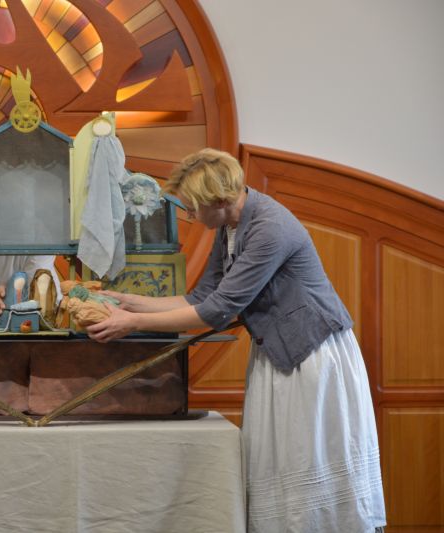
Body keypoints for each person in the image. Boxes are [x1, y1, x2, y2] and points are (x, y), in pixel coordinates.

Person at [87, 148, 386, 532]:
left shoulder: (270, 227)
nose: (191, 216)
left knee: (306, 456)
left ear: (220, 201)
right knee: (277, 459)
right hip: (278, 352)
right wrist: (127, 302)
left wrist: (131, 324)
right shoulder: (230, 225)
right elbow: (200, 297)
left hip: (311, 354)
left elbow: (220, 309)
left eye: (193, 208)